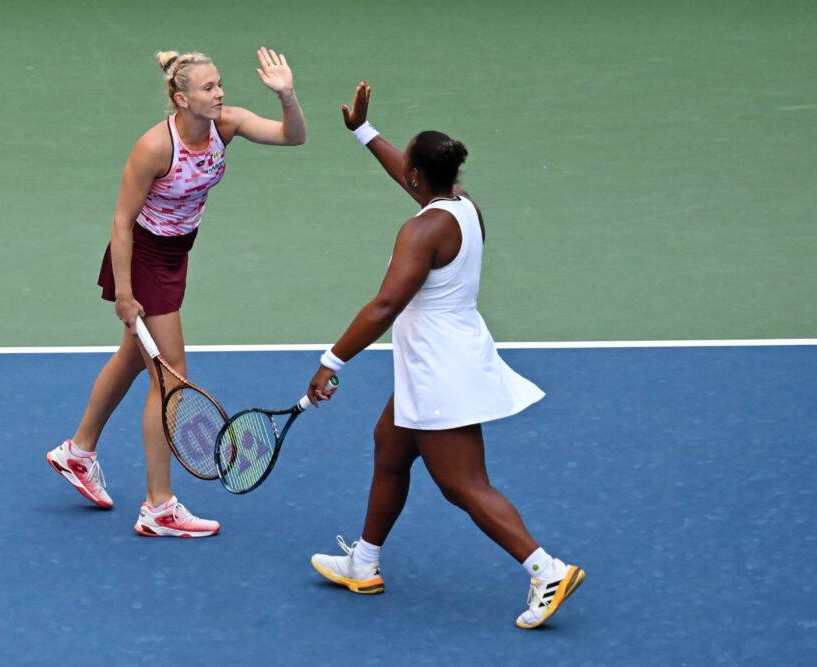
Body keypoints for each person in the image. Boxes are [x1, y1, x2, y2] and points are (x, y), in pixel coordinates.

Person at [306, 82, 583, 629]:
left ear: (416, 176)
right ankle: (363, 562)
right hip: (441, 357)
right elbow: (408, 177)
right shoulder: (460, 208)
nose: (402, 171)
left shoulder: (421, 230)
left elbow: (385, 305)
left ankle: (546, 569)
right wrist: (362, 131)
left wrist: (331, 361)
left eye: (405, 164)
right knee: (390, 448)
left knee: (463, 484)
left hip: (438, 369)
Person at [47, 47, 306, 538]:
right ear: (181, 99)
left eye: (220, 84)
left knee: (133, 358)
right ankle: (158, 507)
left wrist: (287, 94)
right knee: (172, 381)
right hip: (143, 257)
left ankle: (77, 453)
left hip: (176, 254)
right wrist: (125, 294)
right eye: (209, 88)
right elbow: (121, 223)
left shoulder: (225, 125)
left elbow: (293, 137)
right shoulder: (154, 147)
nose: (221, 93)